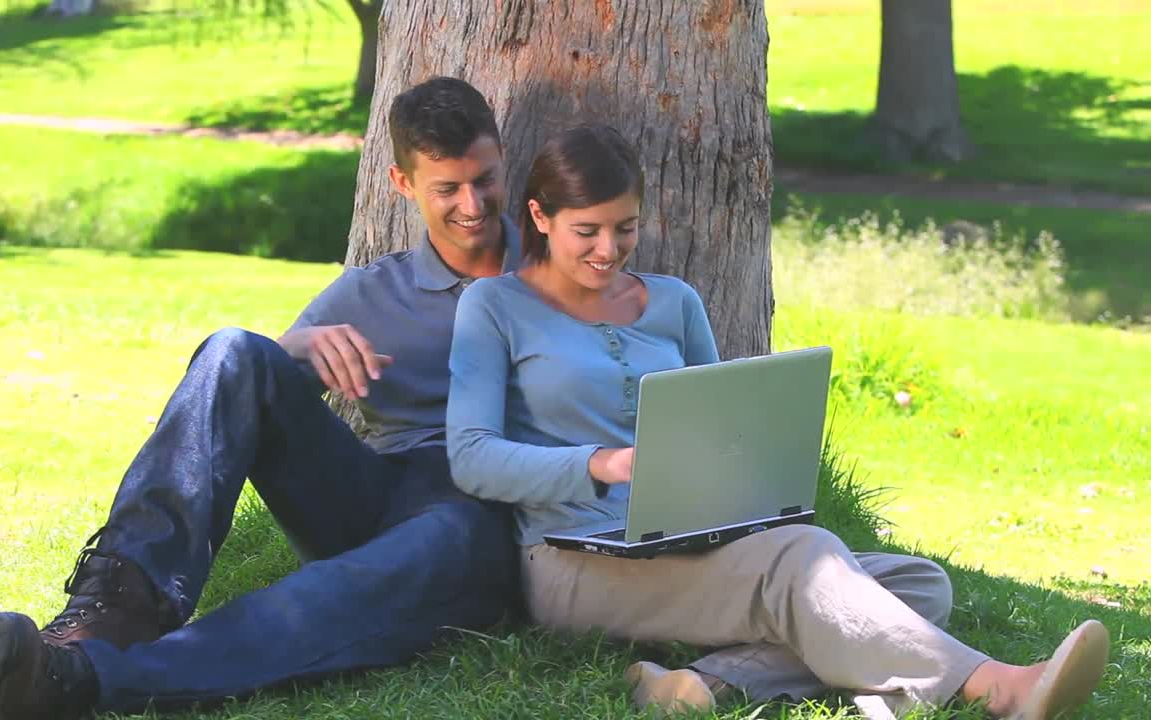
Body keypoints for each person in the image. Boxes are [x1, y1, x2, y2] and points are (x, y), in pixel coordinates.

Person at [444, 123, 1109, 719]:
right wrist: (602, 464)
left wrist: (746, 487)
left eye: (625, 227)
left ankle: (702, 686)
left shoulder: (673, 302)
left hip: (683, 539)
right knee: (808, 563)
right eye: (586, 231)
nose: (608, 248)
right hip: (572, 560)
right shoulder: (495, 307)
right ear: (539, 215)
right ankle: (999, 690)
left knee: (913, 584)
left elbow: (720, 415)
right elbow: (470, 456)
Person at [0, 76, 522, 720]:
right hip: (373, 493)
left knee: (356, 580)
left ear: (501, 159)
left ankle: (79, 680)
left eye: (483, 179)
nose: (473, 205)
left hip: (475, 514)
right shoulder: (373, 290)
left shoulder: (560, 272)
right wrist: (298, 349)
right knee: (235, 347)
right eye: (446, 189)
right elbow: (251, 383)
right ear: (402, 184)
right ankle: (114, 607)